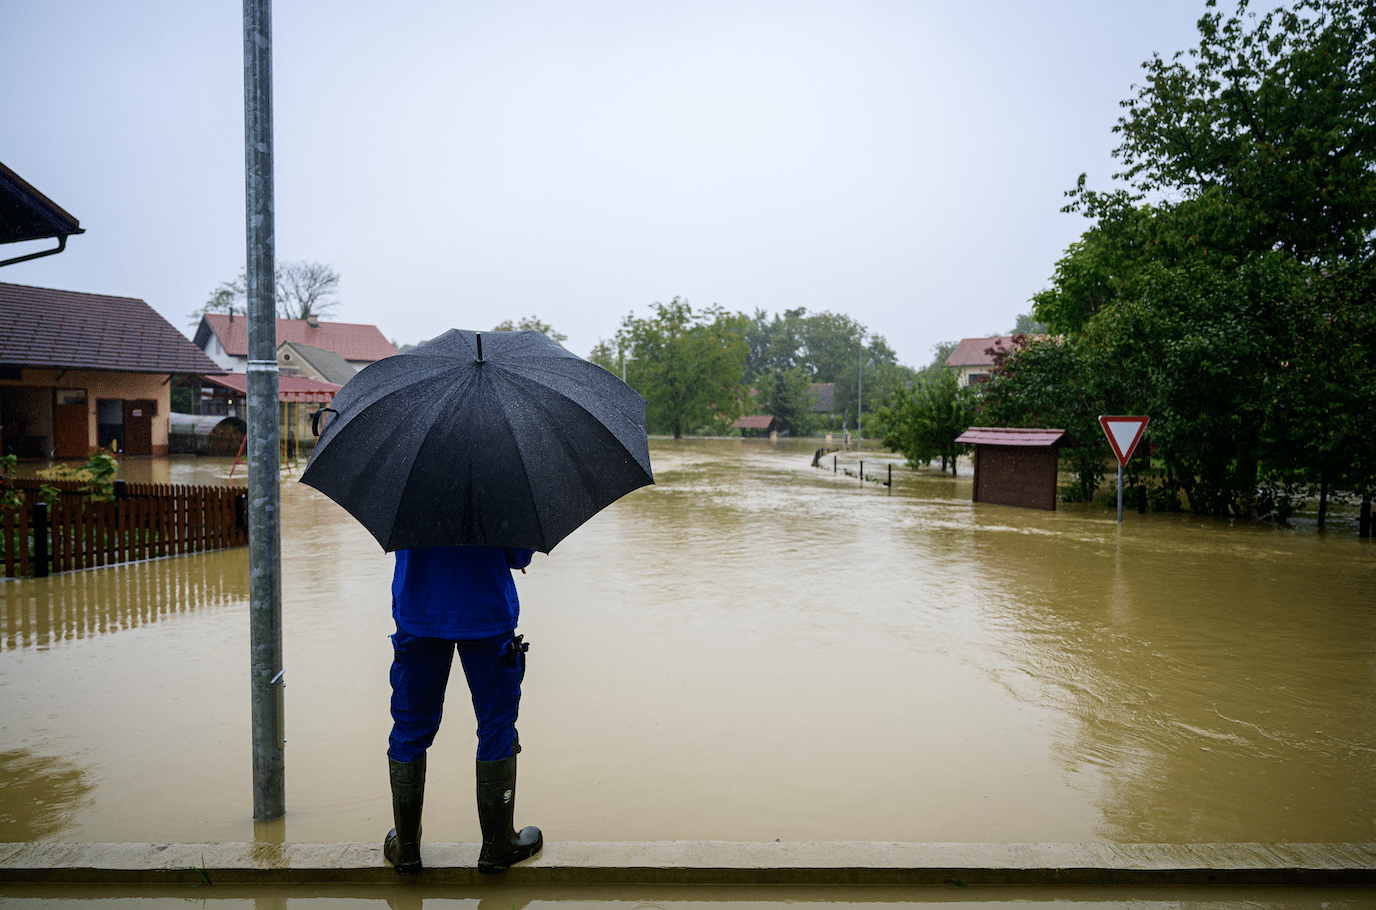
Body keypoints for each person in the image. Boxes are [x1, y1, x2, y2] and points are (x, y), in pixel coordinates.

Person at [384, 544, 543, 874]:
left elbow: (398, 539)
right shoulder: (499, 490)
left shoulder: (404, 492)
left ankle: (407, 849)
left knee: (409, 729)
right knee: (496, 727)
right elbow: (517, 554)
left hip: (420, 610)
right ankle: (497, 845)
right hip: (486, 611)